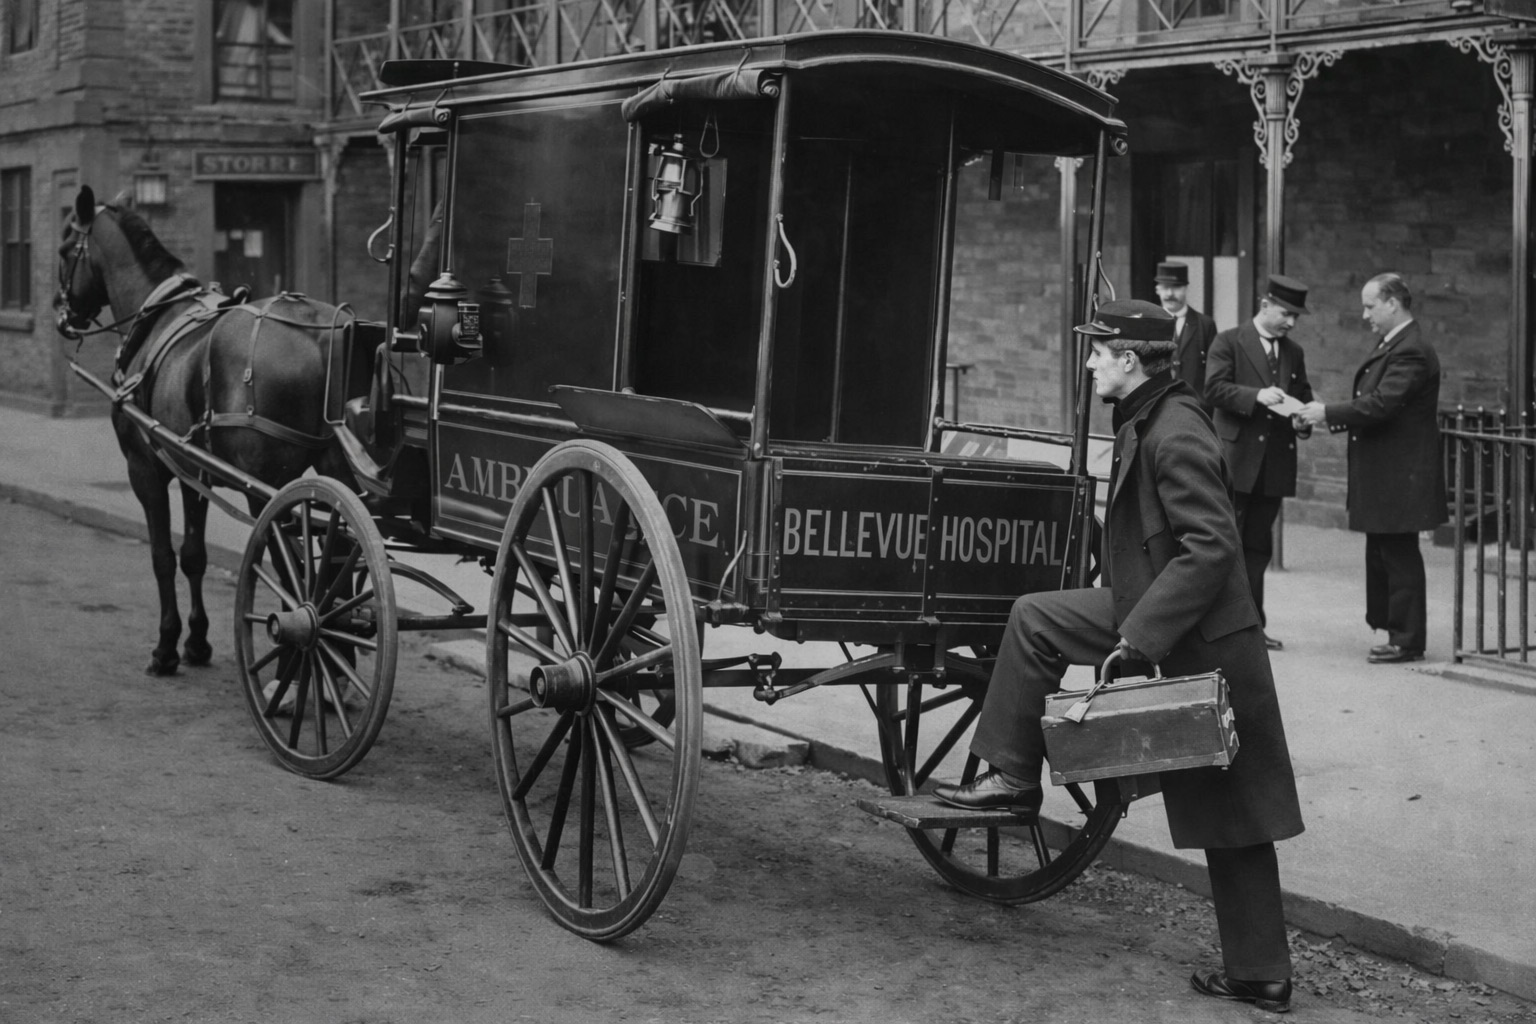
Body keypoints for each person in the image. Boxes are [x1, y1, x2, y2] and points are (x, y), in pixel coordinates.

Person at [934, 299, 1305, 1013]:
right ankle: (1013, 777)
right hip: (1166, 612)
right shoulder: (1151, 414)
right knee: (1038, 618)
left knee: (1236, 804)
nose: (1089, 363)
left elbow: (1211, 548)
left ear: (1130, 361)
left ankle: (1261, 973)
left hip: (1203, 633)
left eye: (1099, 352)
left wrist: (1138, 637)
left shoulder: (1175, 429)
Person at [1296, 273, 1447, 663]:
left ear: (1392, 304)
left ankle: (1407, 640)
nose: (1365, 315)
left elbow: (1382, 403)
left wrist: (1327, 413)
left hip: (1398, 474)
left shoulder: (1410, 349)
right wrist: (1329, 414)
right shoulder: (1398, 343)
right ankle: (1396, 630)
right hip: (1389, 472)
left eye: (1370, 306)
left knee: (1398, 554)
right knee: (1385, 550)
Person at [1203, 274, 1315, 651]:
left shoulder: (1293, 352)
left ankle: (1252, 627)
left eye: (1296, 317)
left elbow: (1302, 396)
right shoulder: (1229, 341)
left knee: (1257, 548)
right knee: (1227, 546)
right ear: (1265, 305)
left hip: (1273, 466)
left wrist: (1302, 420)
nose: (1291, 322)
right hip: (1236, 463)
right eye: (1286, 314)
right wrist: (1256, 396)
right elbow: (1213, 388)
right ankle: (1220, 626)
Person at [1156, 261, 1219, 407]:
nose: (1170, 294)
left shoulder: (1205, 325)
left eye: (1176, 287)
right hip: (1157, 405)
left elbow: (1214, 372)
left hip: (1195, 406)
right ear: (1157, 289)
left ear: (1186, 288)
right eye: (1165, 288)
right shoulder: (1149, 323)